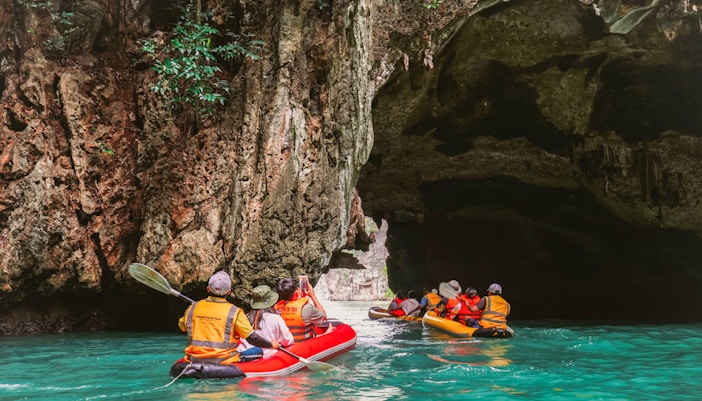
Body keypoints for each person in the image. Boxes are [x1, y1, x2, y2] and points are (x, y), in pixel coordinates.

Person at [177, 270, 280, 364]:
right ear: (229, 292)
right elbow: (252, 338)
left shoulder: (192, 308)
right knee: (258, 350)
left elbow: (182, 326)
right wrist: (270, 344)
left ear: (208, 289)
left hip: (194, 358)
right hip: (224, 360)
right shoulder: (235, 312)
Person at [237, 285, 295, 360]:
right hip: (264, 357)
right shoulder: (275, 318)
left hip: (243, 355)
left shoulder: (246, 317)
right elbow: (288, 341)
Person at [275, 277, 328, 341]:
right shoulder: (306, 309)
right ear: (296, 292)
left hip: (285, 344)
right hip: (303, 344)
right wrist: (313, 296)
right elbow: (323, 317)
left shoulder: (276, 308)